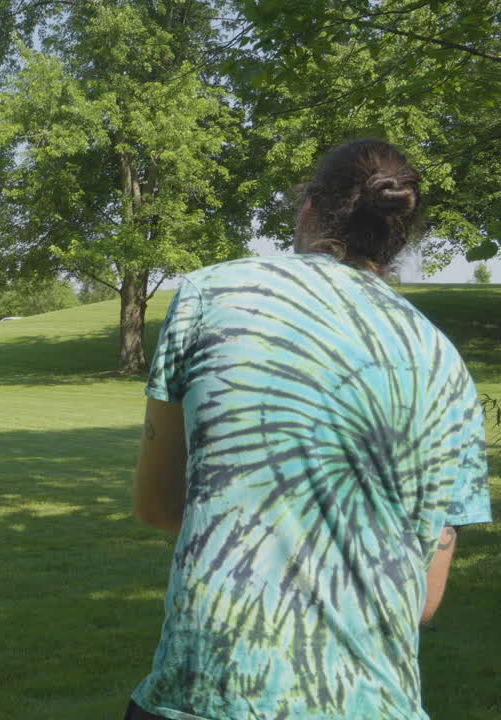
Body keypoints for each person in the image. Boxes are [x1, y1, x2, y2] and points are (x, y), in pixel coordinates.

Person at [126, 139, 493, 720]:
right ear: (399, 237)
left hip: (213, 695)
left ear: (307, 212)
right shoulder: (445, 365)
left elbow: (157, 504)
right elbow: (422, 601)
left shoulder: (211, 295)